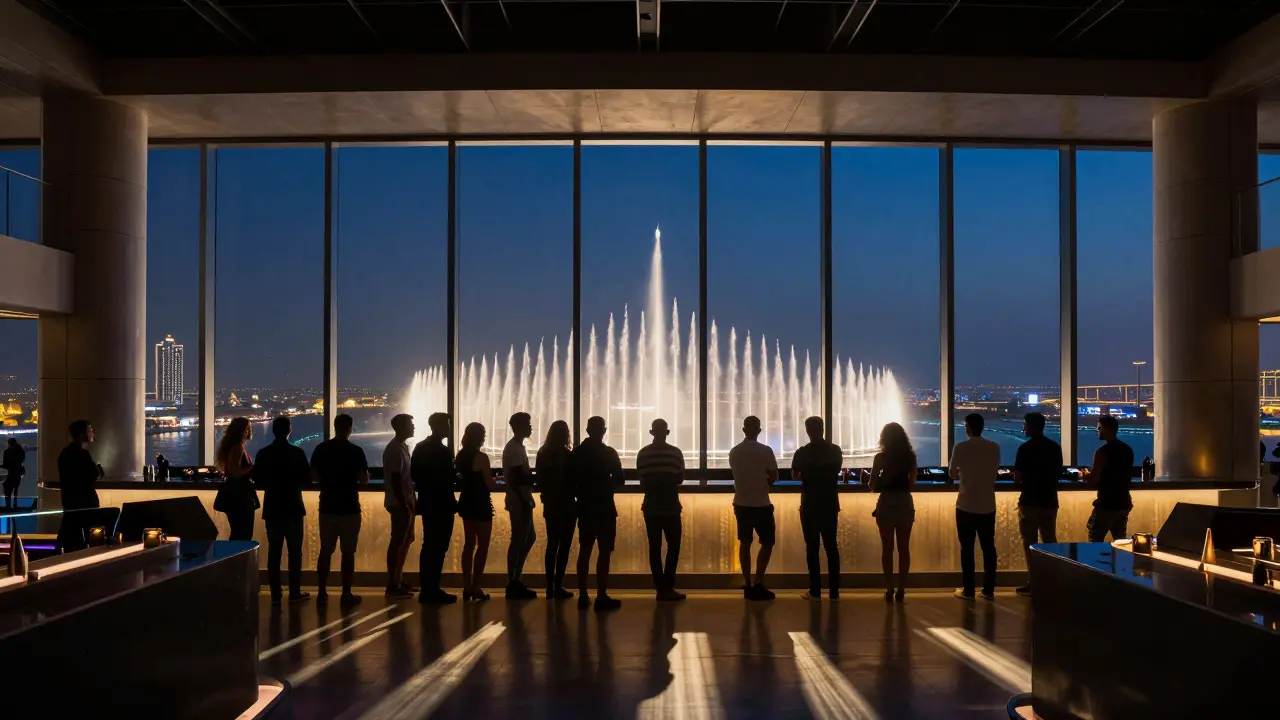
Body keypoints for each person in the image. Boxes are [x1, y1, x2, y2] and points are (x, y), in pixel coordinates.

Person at [310, 413, 369, 608]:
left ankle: (321, 591)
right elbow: (363, 479)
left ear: (335, 427)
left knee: (326, 550)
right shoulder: (356, 451)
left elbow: (315, 476)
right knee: (348, 552)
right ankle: (346, 593)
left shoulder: (321, 449)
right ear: (350, 428)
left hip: (327, 506)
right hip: (349, 506)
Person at [569, 415, 625, 611]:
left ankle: (583, 594)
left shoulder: (576, 453)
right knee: (604, 551)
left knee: (585, 549)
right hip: (604, 506)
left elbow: (569, 481)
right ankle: (601, 594)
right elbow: (620, 479)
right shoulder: (609, 453)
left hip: (584, 506)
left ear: (586, 430)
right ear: (603, 431)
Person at [254, 415, 311, 605]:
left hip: (273, 508)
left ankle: (276, 594)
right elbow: (306, 480)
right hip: (293, 506)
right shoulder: (297, 453)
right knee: (295, 552)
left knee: (274, 551)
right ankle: (294, 592)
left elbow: (259, 481)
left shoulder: (263, 454)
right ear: (289, 430)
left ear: (273, 431)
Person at [949, 413, 1000, 601]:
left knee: (967, 549)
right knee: (989, 548)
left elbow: (952, 473)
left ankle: (968, 590)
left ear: (968, 427)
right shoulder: (994, 447)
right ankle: (989, 590)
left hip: (966, 504)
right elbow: (995, 469)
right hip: (988, 504)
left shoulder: (960, 447)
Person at [791, 416, 844, 602]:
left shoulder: (802, 452)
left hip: (810, 504)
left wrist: (807, 473)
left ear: (807, 430)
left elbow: (794, 474)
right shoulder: (835, 451)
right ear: (822, 429)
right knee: (831, 547)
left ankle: (815, 591)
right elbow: (837, 470)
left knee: (812, 548)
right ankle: (834, 592)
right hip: (830, 503)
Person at [728, 416, 779, 600]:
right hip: (762, 503)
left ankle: (747, 582)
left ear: (743, 430)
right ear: (759, 430)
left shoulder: (734, 452)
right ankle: (759, 581)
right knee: (767, 542)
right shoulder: (765, 451)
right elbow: (774, 477)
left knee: (745, 542)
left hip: (741, 503)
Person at [1013, 412, 1062, 597]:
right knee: (1050, 541)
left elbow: (1018, 479)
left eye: (1025, 425)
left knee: (1030, 543)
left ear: (1033, 426)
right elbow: (1057, 473)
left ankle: (1035, 582)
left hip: (1030, 502)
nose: (1023, 428)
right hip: (1050, 501)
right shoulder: (1054, 447)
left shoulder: (1025, 449)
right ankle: (1053, 581)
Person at [636, 419, 686, 601]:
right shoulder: (675, 453)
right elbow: (680, 478)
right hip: (671, 506)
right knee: (673, 546)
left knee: (654, 547)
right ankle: (669, 585)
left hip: (650, 506)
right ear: (667, 432)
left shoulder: (643, 454)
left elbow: (642, 481)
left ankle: (660, 588)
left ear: (651, 432)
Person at [411, 412, 458, 604]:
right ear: (438, 427)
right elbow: (450, 478)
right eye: (446, 425)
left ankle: (427, 588)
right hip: (443, 504)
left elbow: (415, 475)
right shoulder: (445, 452)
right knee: (439, 547)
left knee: (429, 545)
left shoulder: (420, 448)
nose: (448, 428)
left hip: (428, 503)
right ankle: (433, 588)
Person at [870, 422, 916, 603]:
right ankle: (902, 588)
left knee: (887, 548)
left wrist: (882, 480)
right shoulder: (910, 457)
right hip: (905, 502)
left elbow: (872, 485)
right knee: (904, 548)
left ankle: (889, 588)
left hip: (887, 502)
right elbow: (911, 483)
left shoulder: (880, 458)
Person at [457, 422, 499, 602]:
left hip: (466, 502)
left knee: (468, 544)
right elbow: (489, 484)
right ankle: (477, 586)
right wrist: (496, 481)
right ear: (480, 437)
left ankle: (466, 586)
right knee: (482, 546)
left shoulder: (460, 456)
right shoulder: (482, 457)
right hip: (481, 503)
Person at [536, 420, 576, 600]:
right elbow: (574, 480)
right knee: (564, 545)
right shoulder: (568, 455)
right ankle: (558, 584)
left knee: (552, 543)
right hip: (567, 502)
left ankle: (549, 586)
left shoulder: (542, 453)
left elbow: (540, 479)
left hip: (550, 503)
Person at [502, 412, 538, 600]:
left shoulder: (516, 447)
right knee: (520, 539)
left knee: (526, 537)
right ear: (520, 427)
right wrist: (535, 480)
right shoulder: (515, 449)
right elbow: (517, 476)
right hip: (519, 500)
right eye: (528, 424)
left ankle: (515, 578)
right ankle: (513, 580)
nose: (531, 427)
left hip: (520, 498)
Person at [1082, 414, 1134, 542]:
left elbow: (1093, 479)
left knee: (1095, 541)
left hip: (1106, 504)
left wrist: (1084, 474)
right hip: (1123, 502)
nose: (1097, 431)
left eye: (1099, 428)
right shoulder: (1127, 450)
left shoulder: (1102, 452)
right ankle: (1121, 562)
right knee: (1121, 541)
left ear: (1107, 429)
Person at [383, 413, 417, 600]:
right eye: (411, 424)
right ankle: (392, 584)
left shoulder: (401, 447)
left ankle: (397, 579)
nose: (413, 427)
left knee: (405, 541)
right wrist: (404, 504)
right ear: (402, 427)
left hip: (405, 502)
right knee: (397, 542)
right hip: (400, 504)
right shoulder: (395, 449)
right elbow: (396, 480)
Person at [56, 420, 104, 552]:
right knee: (90, 540)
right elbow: (94, 475)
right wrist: (98, 469)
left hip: (70, 505)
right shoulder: (83, 454)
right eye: (90, 430)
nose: (92, 433)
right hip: (86, 504)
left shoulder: (64, 454)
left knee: (70, 540)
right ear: (82, 435)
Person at [214, 417, 258, 542]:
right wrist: (251, 468)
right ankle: (239, 560)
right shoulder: (238, 447)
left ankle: (234, 559)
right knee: (243, 534)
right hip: (240, 497)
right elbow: (236, 472)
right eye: (247, 428)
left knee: (238, 533)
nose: (249, 431)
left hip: (234, 496)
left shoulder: (231, 447)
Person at [3, 438, 25, 508]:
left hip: (10, 473)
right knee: (16, 489)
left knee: (7, 490)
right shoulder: (21, 451)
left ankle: (8, 505)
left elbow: (5, 464)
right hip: (18, 473)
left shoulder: (7, 452)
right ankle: (15, 504)